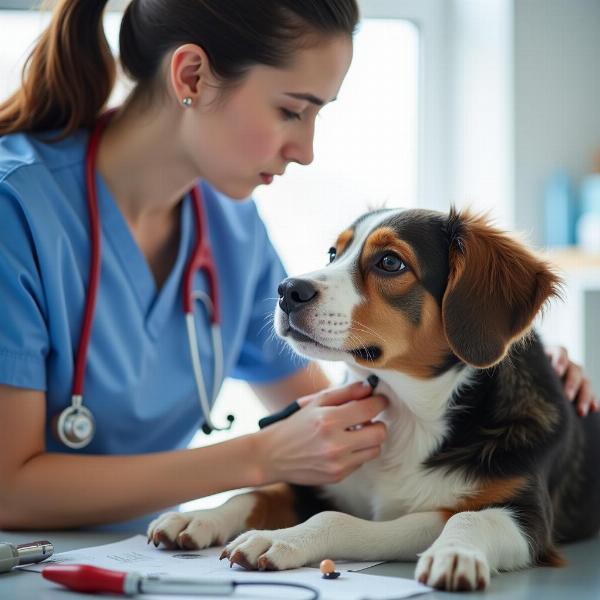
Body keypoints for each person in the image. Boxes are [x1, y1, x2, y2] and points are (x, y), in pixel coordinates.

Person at [0, 0, 595, 533]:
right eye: (292, 110)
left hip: (144, 560)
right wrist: (259, 457)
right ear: (192, 76)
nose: (306, 151)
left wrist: (510, 374)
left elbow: (341, 417)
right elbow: (9, 489)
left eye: (318, 116)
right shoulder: (15, 210)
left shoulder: (231, 229)